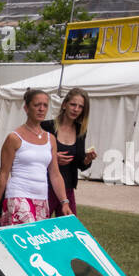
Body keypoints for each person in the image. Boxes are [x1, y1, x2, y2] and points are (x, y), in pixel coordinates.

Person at [0, 89, 71, 227]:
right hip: (18, 196)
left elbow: (55, 174)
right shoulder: (14, 138)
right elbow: (4, 175)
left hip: (41, 199)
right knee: (26, 236)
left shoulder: (50, 139)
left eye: (45, 105)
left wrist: (64, 202)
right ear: (26, 108)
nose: (41, 109)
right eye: (37, 105)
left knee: (37, 242)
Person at [41, 87, 96, 215]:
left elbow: (80, 164)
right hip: (45, 187)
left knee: (68, 230)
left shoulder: (80, 130)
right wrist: (53, 157)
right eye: (73, 104)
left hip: (67, 189)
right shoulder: (46, 126)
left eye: (80, 107)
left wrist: (88, 159)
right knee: (40, 230)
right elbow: (34, 155)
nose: (76, 109)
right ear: (65, 104)